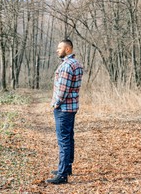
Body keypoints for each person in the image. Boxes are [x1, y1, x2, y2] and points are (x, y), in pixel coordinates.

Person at [46, 39, 83, 184]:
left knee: (64, 141)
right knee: (69, 137)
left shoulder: (67, 65)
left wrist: (56, 103)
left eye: (59, 48)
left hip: (64, 108)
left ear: (68, 49)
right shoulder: (77, 63)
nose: (57, 50)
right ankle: (66, 168)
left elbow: (63, 90)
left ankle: (62, 175)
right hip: (72, 107)